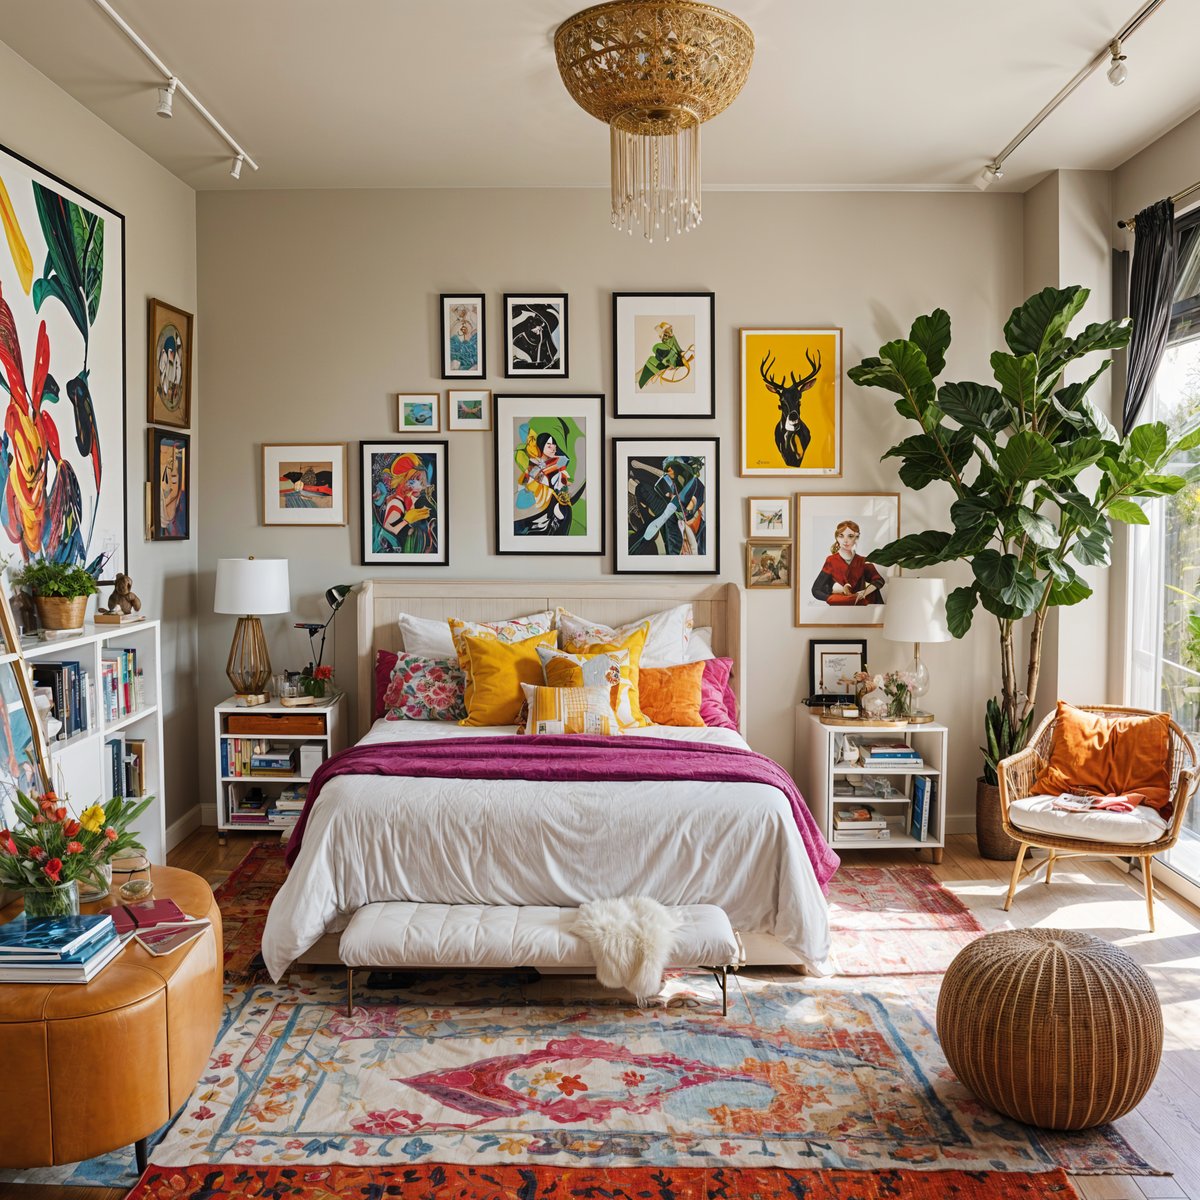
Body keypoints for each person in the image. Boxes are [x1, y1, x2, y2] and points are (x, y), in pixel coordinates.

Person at [811, 519, 885, 605]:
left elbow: (879, 580)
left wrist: (864, 593)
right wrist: (837, 594)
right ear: (837, 538)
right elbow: (816, 590)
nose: (845, 540)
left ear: (856, 537)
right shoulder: (831, 560)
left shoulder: (863, 561)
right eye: (841, 536)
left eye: (850, 536)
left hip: (861, 606)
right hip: (840, 606)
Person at [514, 429, 572, 536]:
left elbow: (562, 482)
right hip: (536, 502)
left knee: (564, 512)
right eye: (549, 445)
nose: (553, 448)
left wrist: (564, 484)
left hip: (552, 502)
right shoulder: (535, 465)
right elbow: (524, 483)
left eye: (554, 445)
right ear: (541, 446)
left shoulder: (558, 462)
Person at [377, 453, 436, 554]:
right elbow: (387, 531)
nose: (420, 486)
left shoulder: (411, 500)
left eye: (422, 482)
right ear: (403, 480)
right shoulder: (396, 502)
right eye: (415, 480)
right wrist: (407, 520)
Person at [637, 322, 691, 388]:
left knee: (655, 348)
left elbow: (678, 348)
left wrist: (681, 356)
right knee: (650, 359)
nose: (669, 332)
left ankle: (657, 370)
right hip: (665, 360)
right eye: (667, 331)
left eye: (670, 330)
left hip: (672, 359)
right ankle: (650, 375)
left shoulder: (671, 338)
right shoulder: (664, 341)